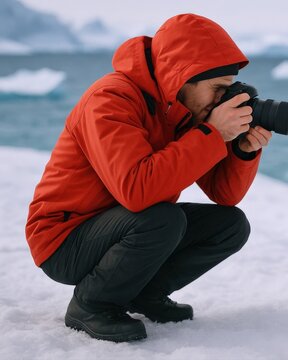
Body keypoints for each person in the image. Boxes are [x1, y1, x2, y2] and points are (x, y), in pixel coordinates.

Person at [25, 13, 272, 342]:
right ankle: (91, 305)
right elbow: (136, 191)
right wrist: (212, 133)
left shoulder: (181, 109)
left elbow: (225, 194)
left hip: (125, 228)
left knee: (230, 225)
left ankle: (145, 295)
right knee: (162, 219)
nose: (222, 100)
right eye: (218, 89)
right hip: (64, 239)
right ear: (183, 76)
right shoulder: (110, 98)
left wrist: (240, 150)